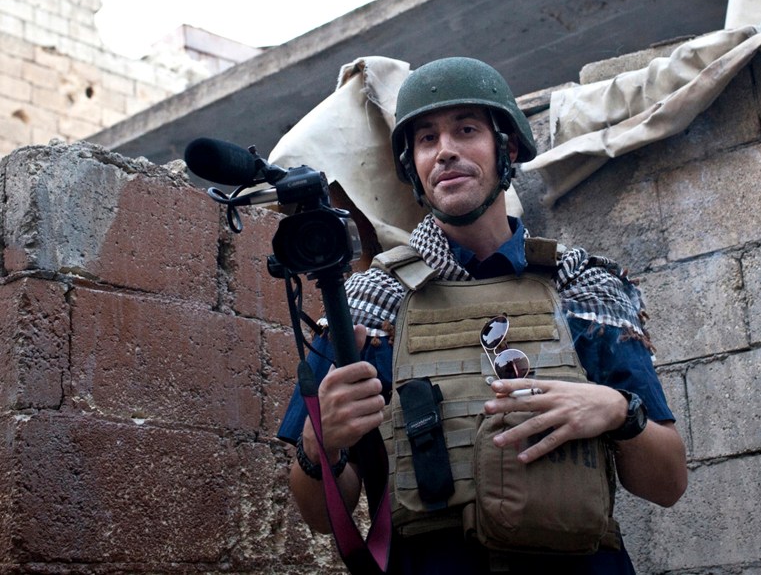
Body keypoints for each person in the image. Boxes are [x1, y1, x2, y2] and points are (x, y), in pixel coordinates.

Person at [277, 56, 687, 573]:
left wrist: (616, 411)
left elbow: (668, 484)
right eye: (426, 140)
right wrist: (319, 446)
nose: (444, 151)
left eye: (466, 130)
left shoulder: (583, 289)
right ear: (411, 166)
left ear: (507, 148)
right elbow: (318, 515)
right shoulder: (365, 306)